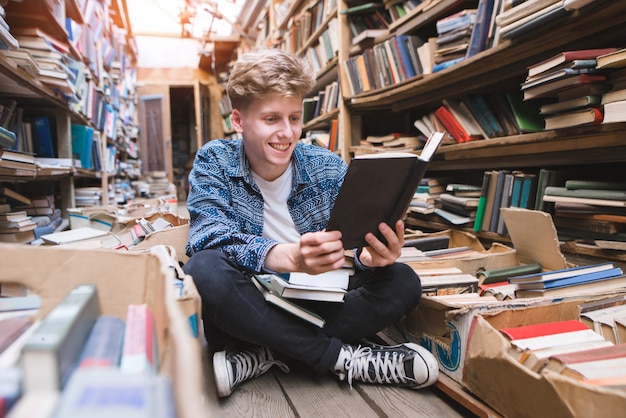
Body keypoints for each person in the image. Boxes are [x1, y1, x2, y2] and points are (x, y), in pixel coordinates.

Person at [183, 48, 438, 398]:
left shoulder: (326, 165)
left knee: (403, 281)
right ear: (239, 122)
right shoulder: (214, 160)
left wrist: (370, 256)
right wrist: (288, 257)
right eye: (271, 119)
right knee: (203, 270)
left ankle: (268, 349)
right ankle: (342, 358)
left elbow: (353, 245)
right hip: (253, 301)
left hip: (317, 299)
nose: (287, 133)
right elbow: (206, 237)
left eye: (294, 118)